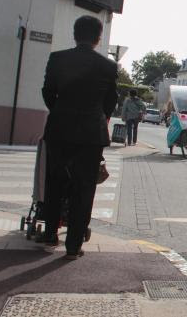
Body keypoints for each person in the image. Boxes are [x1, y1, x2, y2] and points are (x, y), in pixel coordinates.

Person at [41, 15, 118, 260]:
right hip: (90, 135)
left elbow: (47, 92)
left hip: (59, 130)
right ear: (98, 38)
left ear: (75, 35)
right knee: (84, 188)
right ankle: (73, 246)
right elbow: (110, 101)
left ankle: (50, 234)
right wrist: (97, 117)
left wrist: (60, 112)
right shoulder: (107, 66)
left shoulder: (58, 59)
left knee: (54, 182)